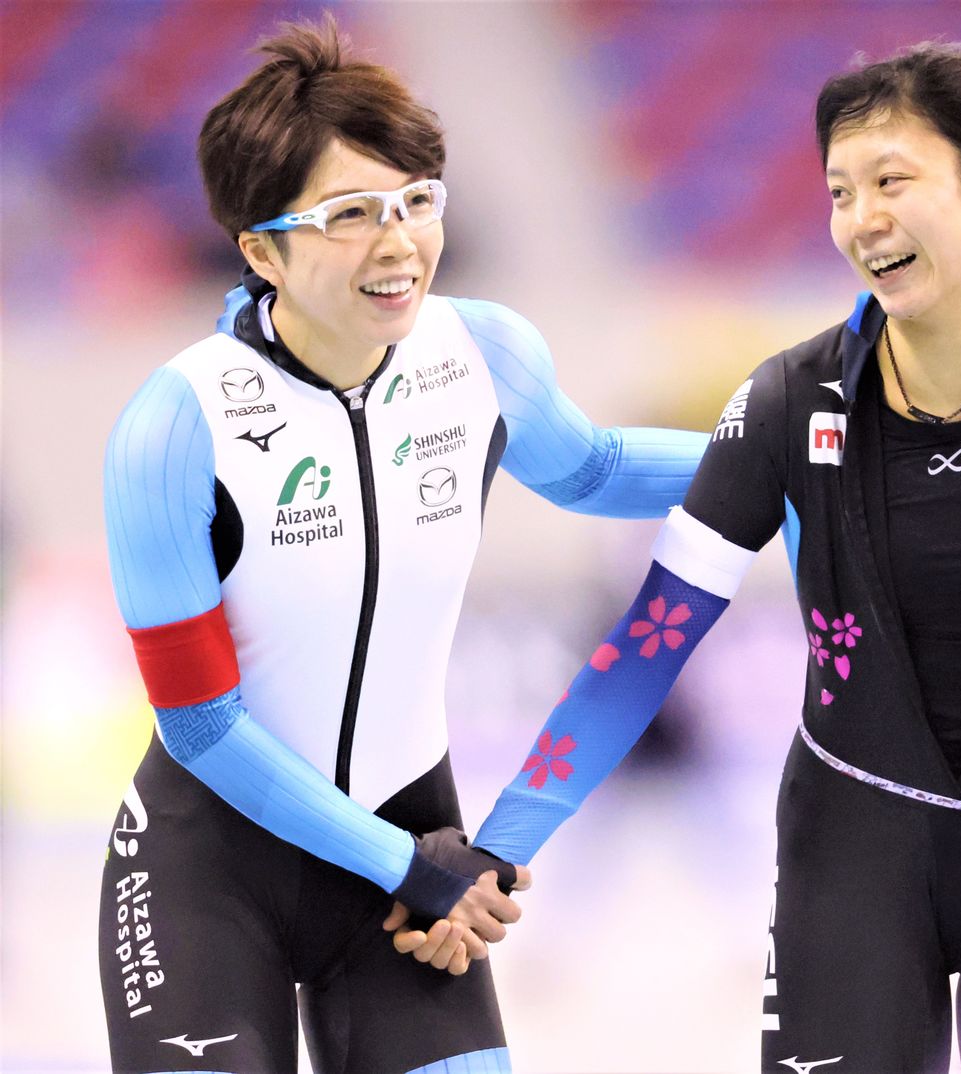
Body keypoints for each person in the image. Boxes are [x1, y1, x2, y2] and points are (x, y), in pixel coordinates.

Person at [472, 41, 961, 1073]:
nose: (859, 220)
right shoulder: (788, 403)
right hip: (852, 863)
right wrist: (498, 847)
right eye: (838, 192)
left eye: (890, 181)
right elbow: (647, 647)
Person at [99, 17, 707, 1074]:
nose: (399, 243)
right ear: (260, 251)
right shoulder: (174, 428)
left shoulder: (481, 353)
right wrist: (411, 868)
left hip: (409, 857)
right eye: (349, 214)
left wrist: (798, 447)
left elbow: (596, 470)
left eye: (417, 201)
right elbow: (200, 729)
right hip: (212, 869)